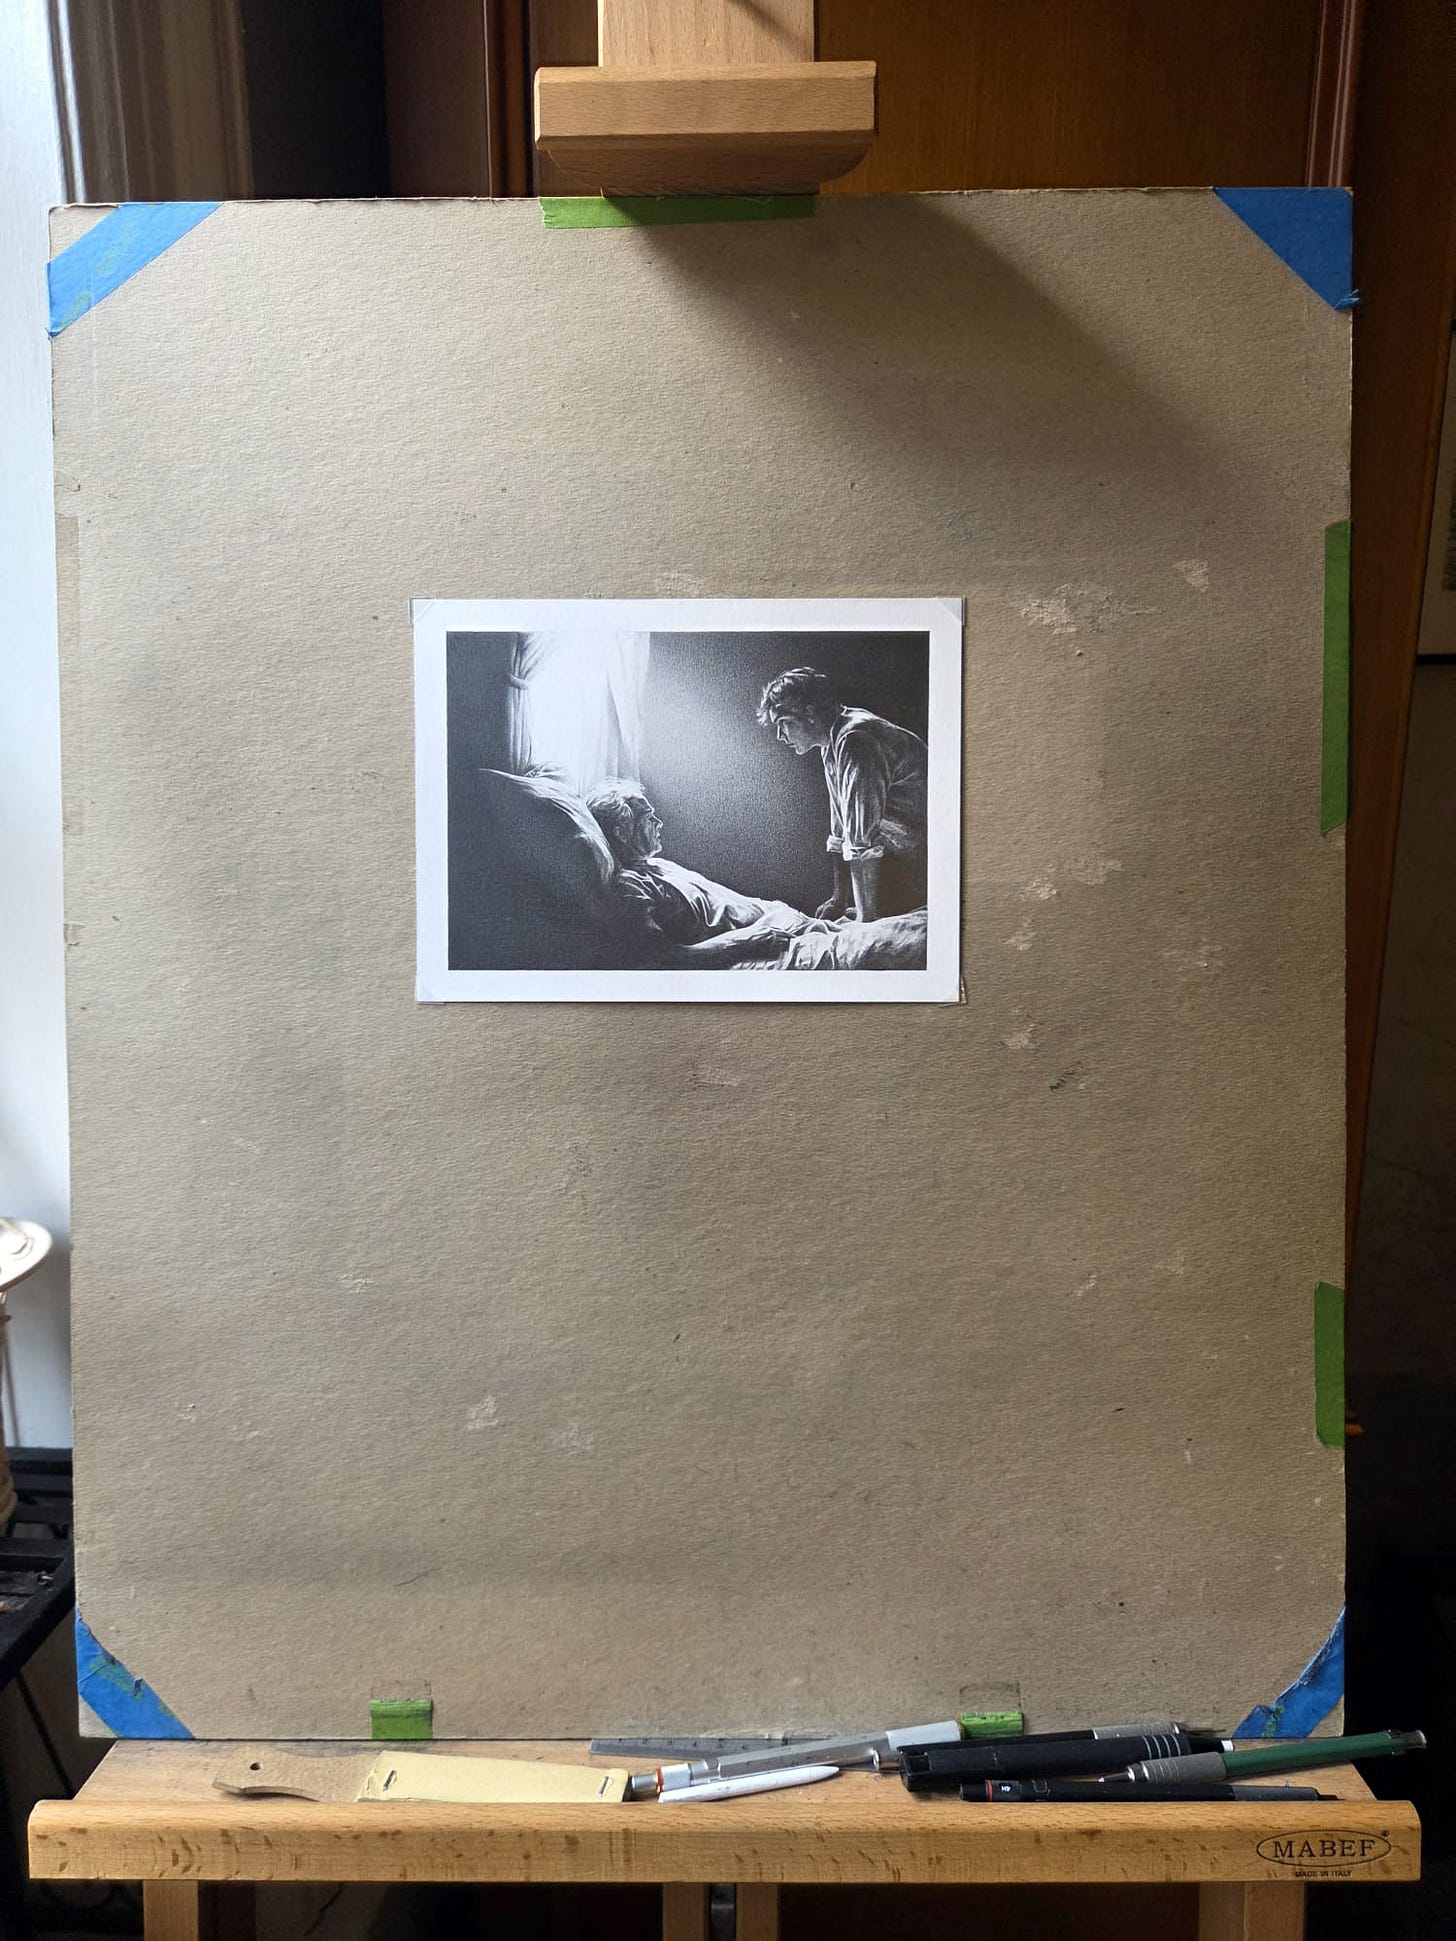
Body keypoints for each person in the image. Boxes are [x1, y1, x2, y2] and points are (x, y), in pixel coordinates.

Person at [756, 667, 927, 922]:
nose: (780, 736)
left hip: (928, 854)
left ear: (809, 713)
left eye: (783, 723)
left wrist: (865, 921)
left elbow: (860, 838)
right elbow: (840, 827)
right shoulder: (830, 742)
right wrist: (839, 898)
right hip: (904, 853)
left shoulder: (855, 738)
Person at [586, 783, 797, 967]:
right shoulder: (629, 888)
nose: (659, 823)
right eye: (649, 818)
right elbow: (665, 958)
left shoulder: (658, 864)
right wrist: (751, 940)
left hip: (781, 921)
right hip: (772, 938)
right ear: (621, 834)